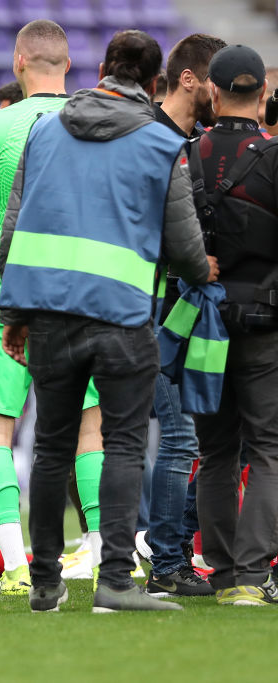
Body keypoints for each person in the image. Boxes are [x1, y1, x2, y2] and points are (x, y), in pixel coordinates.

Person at [0, 29, 217, 613]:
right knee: (122, 445)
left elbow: (13, 226)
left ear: (98, 68)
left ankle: (45, 585)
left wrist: (13, 313)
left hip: (47, 314)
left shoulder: (43, 130)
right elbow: (185, 243)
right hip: (122, 319)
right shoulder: (158, 140)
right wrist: (204, 269)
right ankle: (116, 582)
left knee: (50, 447)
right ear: (154, 84)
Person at [0, 20, 104, 597]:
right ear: (67, 66)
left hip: (5, 297)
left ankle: (14, 567)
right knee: (90, 431)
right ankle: (104, 555)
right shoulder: (96, 118)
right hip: (80, 295)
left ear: (18, 61)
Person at [188, 45, 278, 606]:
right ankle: (250, 576)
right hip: (265, 320)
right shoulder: (272, 155)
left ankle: (221, 571)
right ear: (264, 94)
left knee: (216, 449)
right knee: (268, 447)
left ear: (213, 93)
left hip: (203, 318)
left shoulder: (184, 152)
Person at [142, 33, 226, 599]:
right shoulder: (150, 139)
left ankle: (171, 550)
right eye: (214, 79)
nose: (222, 92)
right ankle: (165, 560)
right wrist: (195, 260)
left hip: (177, 309)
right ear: (190, 79)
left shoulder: (192, 140)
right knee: (176, 439)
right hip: (148, 308)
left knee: (186, 437)